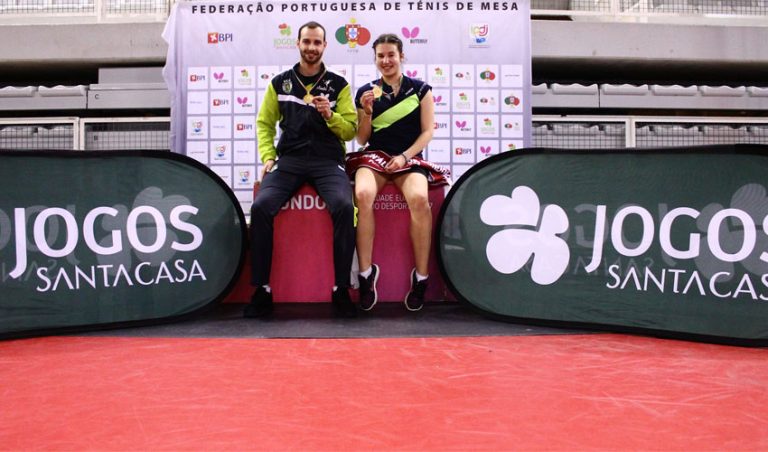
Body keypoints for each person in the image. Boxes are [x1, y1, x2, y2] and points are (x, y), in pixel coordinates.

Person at [245, 21, 358, 318]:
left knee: (345, 206)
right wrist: (268, 156)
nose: (311, 47)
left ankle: (342, 289)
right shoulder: (280, 82)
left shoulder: (339, 85)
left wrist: (330, 114)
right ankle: (261, 290)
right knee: (261, 207)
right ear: (298, 44)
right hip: (290, 161)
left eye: (317, 43)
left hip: (327, 161)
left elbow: (350, 131)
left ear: (324, 46)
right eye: (307, 42)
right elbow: (264, 123)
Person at [346, 33, 450, 312]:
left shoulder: (420, 90)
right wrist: (366, 112)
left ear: (401, 56)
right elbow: (361, 139)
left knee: (419, 199)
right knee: (363, 194)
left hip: (409, 158)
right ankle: (366, 275)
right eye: (380, 56)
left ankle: (421, 277)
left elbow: (428, 131)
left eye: (391, 54)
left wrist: (405, 156)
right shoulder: (366, 92)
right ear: (375, 59)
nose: (386, 60)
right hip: (375, 157)